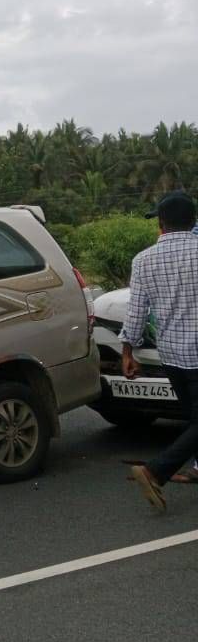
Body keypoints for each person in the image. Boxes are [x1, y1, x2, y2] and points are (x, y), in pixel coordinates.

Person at [125, 191, 198, 510]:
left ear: (161, 223)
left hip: (172, 357)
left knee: (195, 419)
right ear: (193, 220)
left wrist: (128, 352)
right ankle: (156, 471)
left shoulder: (143, 260)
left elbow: (136, 312)